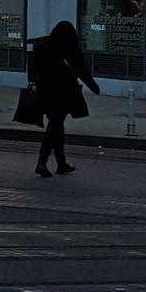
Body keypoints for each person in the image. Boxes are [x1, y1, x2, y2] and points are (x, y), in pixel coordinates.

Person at [29, 20, 101, 177]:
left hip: (45, 93)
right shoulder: (70, 49)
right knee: (55, 126)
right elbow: (81, 70)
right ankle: (42, 162)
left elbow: (33, 68)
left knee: (57, 127)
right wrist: (94, 87)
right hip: (63, 94)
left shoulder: (45, 46)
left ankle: (61, 163)